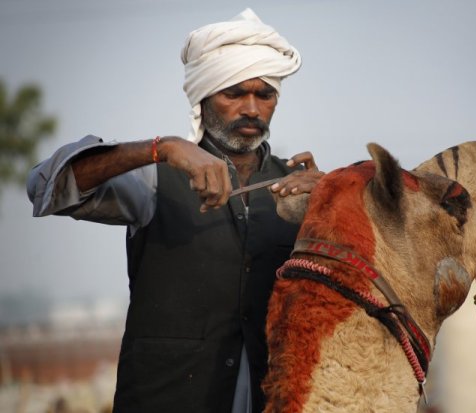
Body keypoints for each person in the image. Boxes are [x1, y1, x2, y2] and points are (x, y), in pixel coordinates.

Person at [27, 9, 323, 413]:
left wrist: (334, 196)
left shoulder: (302, 185)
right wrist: (161, 148)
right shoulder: (156, 176)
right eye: (233, 93)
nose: (251, 108)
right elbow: (47, 187)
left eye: (265, 94)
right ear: (203, 97)